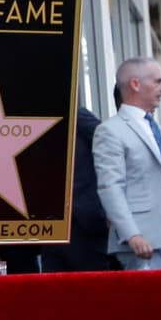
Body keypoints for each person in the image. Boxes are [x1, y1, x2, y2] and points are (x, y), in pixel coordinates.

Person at [93, 57, 161, 270]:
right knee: (150, 302)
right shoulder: (111, 130)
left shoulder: (153, 126)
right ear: (135, 84)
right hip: (142, 244)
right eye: (157, 81)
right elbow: (110, 187)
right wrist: (132, 234)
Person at [41, 106, 113, 272]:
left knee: (92, 290)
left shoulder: (74, 113)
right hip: (51, 226)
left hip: (83, 221)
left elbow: (108, 143)